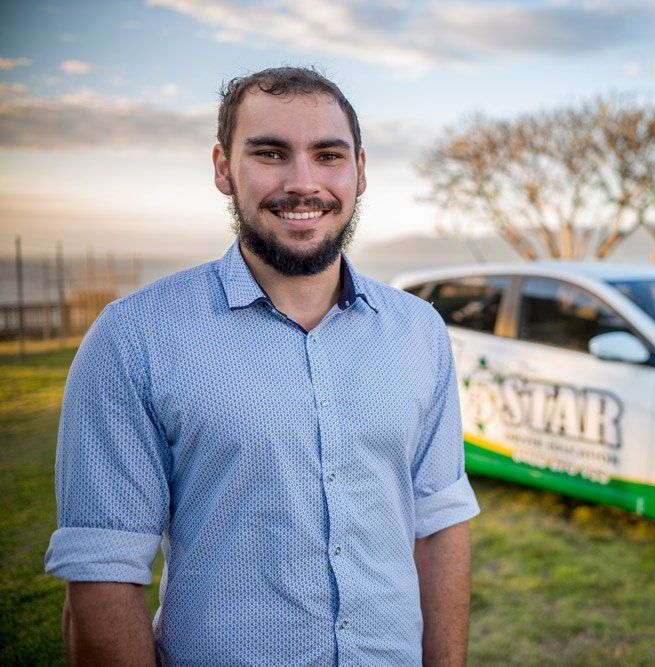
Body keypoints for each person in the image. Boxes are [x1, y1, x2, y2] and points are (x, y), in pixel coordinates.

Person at [44, 66, 479, 666]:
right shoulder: (133, 338)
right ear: (223, 168)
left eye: (328, 155)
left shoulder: (419, 331)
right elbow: (101, 573)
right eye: (271, 153)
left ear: (360, 170)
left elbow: (440, 523)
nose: (303, 183)